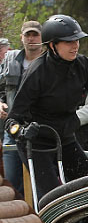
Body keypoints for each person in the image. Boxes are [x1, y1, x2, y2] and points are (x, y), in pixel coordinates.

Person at [5, 15, 88, 200]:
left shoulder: (84, 65)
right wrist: (20, 132)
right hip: (37, 142)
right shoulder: (37, 72)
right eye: (69, 42)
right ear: (52, 45)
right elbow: (13, 119)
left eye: (77, 40)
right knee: (55, 198)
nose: (75, 45)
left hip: (65, 137)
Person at [0, 21, 44, 195]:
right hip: (13, 128)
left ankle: (46, 221)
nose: (31, 39)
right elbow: (1, 90)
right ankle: (23, 221)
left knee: (41, 186)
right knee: (12, 184)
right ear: (21, 38)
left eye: (35, 35)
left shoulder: (51, 62)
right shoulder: (11, 60)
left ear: (43, 38)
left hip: (41, 129)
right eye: (28, 35)